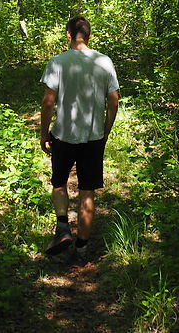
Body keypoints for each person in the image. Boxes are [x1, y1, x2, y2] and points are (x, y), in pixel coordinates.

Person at [39, 15, 120, 263]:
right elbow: (114, 100)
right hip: (93, 137)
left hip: (63, 134)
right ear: (89, 35)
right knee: (87, 191)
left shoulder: (58, 61)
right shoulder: (104, 62)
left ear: (68, 35)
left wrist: (44, 133)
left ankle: (63, 228)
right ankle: (82, 250)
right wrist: (105, 130)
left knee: (59, 183)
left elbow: (48, 101)